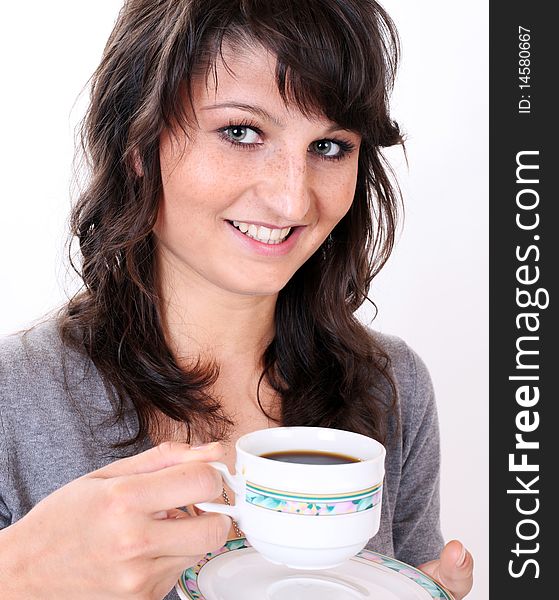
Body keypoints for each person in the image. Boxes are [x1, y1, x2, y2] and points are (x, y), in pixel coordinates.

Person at [0, 0, 474, 598]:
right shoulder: (11, 398)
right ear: (135, 145)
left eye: (330, 146)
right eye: (242, 132)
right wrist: (13, 576)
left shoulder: (392, 384)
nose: (292, 201)